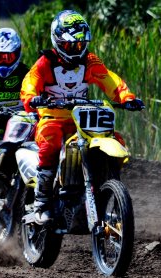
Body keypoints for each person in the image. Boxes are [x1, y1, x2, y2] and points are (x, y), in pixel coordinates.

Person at [20, 10, 144, 224]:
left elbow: (110, 80)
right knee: (49, 144)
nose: (77, 49)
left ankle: (106, 188)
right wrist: (32, 98)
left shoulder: (90, 61)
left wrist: (126, 97)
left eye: (80, 44)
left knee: (116, 139)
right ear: (58, 41)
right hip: (53, 117)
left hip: (82, 116)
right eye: (71, 45)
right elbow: (30, 81)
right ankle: (41, 202)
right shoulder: (45, 62)